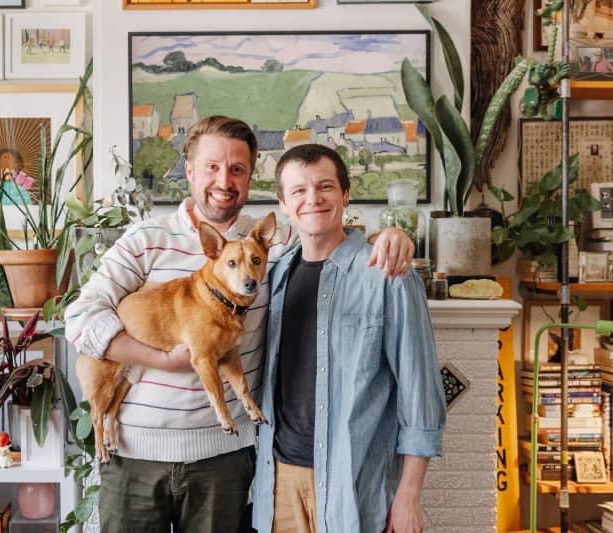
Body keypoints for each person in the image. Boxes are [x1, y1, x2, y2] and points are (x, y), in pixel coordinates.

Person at [65, 116, 414, 533]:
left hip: (224, 459)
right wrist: (162, 358)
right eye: (212, 167)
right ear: (190, 170)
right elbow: (80, 317)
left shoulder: (273, 245)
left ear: (250, 176)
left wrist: (388, 236)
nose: (224, 180)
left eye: (237, 169)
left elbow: (328, 236)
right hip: (135, 455)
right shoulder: (145, 238)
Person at [252, 144, 446, 533]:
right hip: (278, 482)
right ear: (284, 205)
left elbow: (421, 393)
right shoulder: (270, 276)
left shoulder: (389, 273)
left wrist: (408, 495)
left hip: (356, 483)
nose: (313, 199)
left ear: (345, 193)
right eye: (299, 192)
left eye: (325, 187)